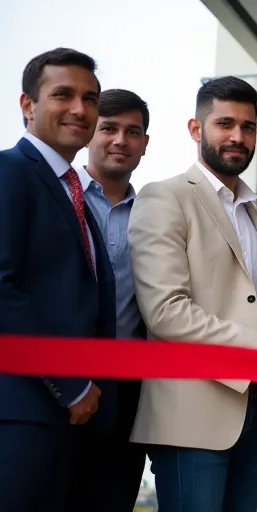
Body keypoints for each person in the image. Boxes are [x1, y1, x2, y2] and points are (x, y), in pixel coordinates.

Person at [127, 76, 257, 512]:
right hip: (192, 416)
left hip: (255, 412)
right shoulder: (164, 196)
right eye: (225, 123)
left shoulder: (249, 209)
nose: (238, 137)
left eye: (248, 127)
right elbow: (166, 311)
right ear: (195, 128)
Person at [0, 47, 118, 512]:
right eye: (63, 95)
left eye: (90, 99)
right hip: (21, 413)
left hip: (71, 420)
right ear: (27, 105)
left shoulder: (76, 193)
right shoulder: (9, 172)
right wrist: (69, 384)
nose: (79, 109)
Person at [66, 88, 151, 510]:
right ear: (89, 133)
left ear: (145, 144)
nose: (121, 140)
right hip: (60, 381)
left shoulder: (155, 213)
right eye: (109, 128)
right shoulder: (61, 197)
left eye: (132, 131)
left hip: (131, 389)